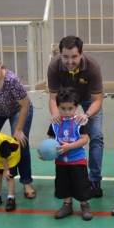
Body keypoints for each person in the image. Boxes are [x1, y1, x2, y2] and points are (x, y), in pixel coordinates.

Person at [47, 35, 104, 198]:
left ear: (81, 53)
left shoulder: (92, 66)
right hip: (65, 101)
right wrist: (56, 113)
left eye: (74, 56)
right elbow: (53, 97)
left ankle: (94, 180)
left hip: (88, 101)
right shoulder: (54, 66)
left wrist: (86, 115)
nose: (69, 61)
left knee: (96, 136)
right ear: (60, 54)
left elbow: (97, 100)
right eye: (65, 56)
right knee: (60, 135)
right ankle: (66, 176)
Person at [0, 50, 35, 199]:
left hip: (18, 110)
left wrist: (18, 129)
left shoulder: (11, 80)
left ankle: (26, 182)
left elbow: (25, 104)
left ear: (0, 64)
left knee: (20, 142)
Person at [41, 87, 92, 220]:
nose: (66, 112)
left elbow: (85, 139)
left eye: (70, 108)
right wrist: (44, 153)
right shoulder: (55, 123)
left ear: (76, 107)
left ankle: (84, 205)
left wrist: (70, 146)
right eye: (63, 108)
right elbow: (51, 141)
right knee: (64, 184)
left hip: (78, 161)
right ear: (57, 107)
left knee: (80, 184)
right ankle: (67, 205)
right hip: (61, 161)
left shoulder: (80, 122)